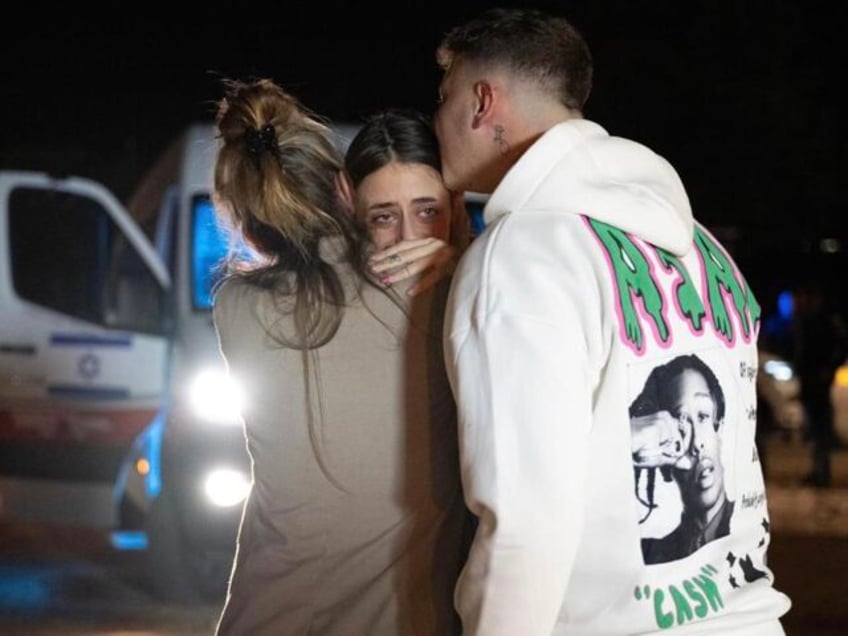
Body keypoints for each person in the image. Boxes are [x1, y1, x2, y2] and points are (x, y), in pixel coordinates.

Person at [433, 8, 791, 634]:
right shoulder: (703, 246)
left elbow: (524, 519)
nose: (434, 123)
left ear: (481, 102)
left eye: (442, 98)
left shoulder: (522, 253)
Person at [210, 77, 468, 635]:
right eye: (386, 216)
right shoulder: (442, 294)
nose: (408, 236)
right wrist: (461, 264)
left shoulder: (233, 307)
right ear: (346, 193)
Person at [345, 107, 470, 296]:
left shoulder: (494, 273)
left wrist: (465, 270)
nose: (408, 236)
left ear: (455, 205)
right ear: (352, 211)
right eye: (384, 217)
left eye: (428, 212)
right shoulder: (332, 299)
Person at [630, 354, 734, 565]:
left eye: (703, 416)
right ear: (664, 466)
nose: (697, 445)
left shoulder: (745, 528)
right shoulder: (650, 554)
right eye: (681, 424)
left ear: (720, 428)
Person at [791, 278, 847, 487]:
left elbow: (838, 348)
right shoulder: (805, 321)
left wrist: (828, 371)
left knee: (820, 431)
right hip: (810, 384)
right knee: (814, 431)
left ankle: (821, 473)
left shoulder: (824, 322)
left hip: (819, 386)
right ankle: (818, 471)